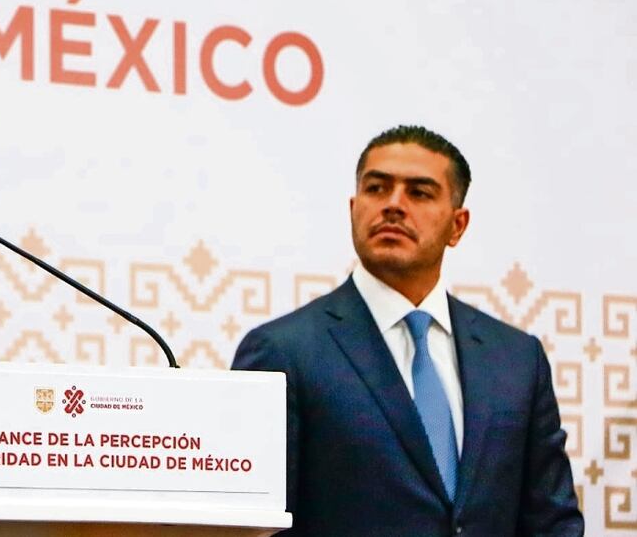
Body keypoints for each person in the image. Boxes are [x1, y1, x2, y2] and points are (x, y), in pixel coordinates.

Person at [232, 125, 582, 536]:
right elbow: (255, 527)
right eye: (377, 188)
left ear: (458, 225)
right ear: (353, 208)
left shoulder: (517, 359)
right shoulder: (284, 352)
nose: (394, 205)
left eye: (419, 192)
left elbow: (552, 522)